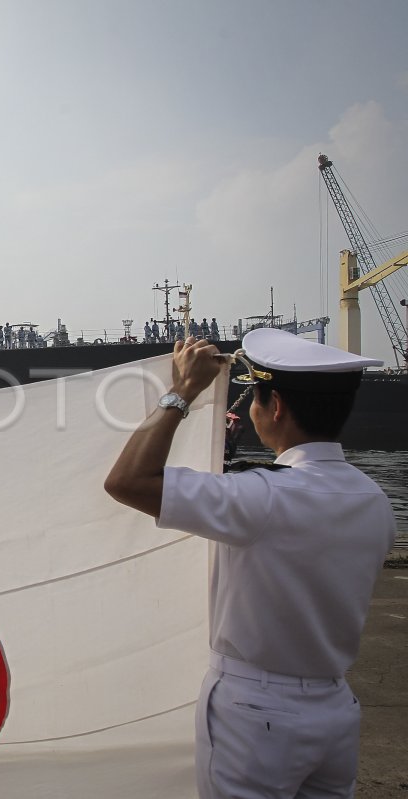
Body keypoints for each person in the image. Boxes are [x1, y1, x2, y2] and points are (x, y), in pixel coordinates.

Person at [103, 329, 394, 799]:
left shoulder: (262, 497)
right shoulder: (375, 501)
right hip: (336, 707)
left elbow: (127, 480)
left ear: (274, 406)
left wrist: (182, 392)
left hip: (257, 711)